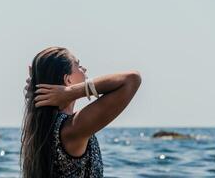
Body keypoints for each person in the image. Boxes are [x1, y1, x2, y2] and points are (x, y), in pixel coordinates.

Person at [21, 46, 142, 178]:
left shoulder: (44, 126)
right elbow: (132, 79)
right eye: (78, 65)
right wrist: (72, 92)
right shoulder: (71, 128)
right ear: (68, 80)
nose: (84, 69)